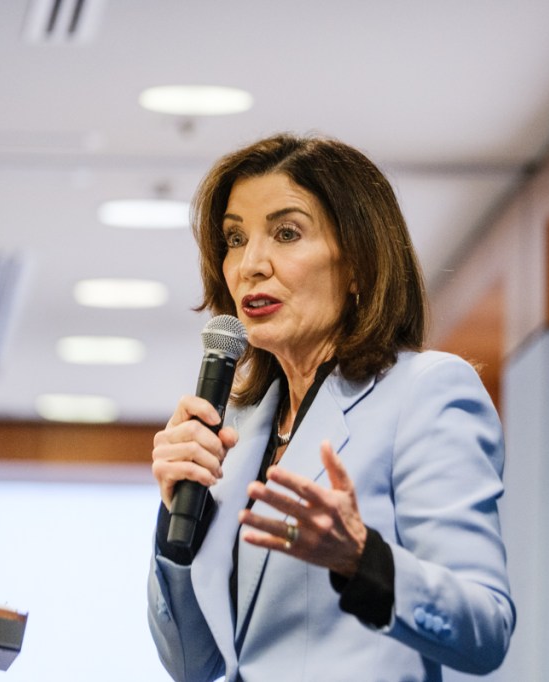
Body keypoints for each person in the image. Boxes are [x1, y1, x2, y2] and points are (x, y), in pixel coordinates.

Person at [148, 133, 515, 681]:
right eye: (234, 239)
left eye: (286, 233)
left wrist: (360, 558)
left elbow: (484, 628)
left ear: (358, 265)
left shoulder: (427, 391)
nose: (250, 264)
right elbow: (194, 666)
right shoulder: (238, 432)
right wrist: (177, 518)